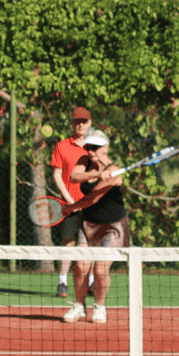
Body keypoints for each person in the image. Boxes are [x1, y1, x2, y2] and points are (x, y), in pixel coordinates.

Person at [60, 130, 131, 325]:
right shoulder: (85, 161)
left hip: (111, 228)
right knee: (81, 266)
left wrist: (69, 208)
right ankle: (79, 306)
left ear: (106, 148)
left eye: (96, 147)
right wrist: (98, 172)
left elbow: (93, 198)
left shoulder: (115, 171)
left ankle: (100, 307)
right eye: (88, 147)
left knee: (100, 270)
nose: (91, 151)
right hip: (88, 226)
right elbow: (74, 177)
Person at [49, 107, 100, 298]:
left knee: (91, 245)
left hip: (92, 207)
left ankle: (91, 284)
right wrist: (70, 200)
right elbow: (57, 175)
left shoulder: (95, 147)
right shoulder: (62, 146)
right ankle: (62, 283)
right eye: (77, 121)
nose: (80, 125)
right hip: (70, 206)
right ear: (72, 123)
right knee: (68, 244)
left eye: (84, 121)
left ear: (90, 123)